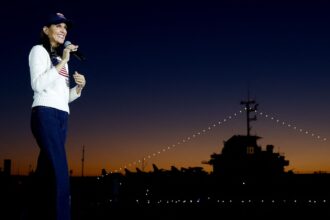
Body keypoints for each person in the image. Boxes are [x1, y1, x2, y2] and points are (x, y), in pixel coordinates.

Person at [27, 12, 86, 220]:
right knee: (61, 171)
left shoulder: (63, 59)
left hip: (62, 116)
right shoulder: (38, 51)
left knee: (46, 172)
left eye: (66, 27)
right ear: (46, 30)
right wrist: (63, 62)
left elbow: (63, 97)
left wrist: (78, 89)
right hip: (45, 115)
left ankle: (35, 212)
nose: (63, 30)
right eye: (58, 26)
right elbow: (38, 85)